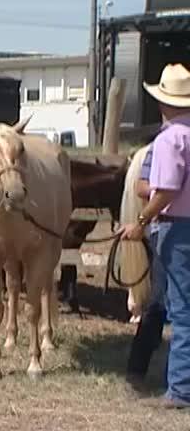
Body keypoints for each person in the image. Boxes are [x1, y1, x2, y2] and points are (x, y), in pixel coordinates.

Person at [122, 63, 190, 409]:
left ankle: (180, 390)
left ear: (163, 102)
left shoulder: (169, 140)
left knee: (180, 309)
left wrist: (140, 221)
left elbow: (165, 191)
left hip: (176, 228)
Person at [125, 143, 168, 392]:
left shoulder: (165, 142)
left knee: (159, 302)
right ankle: (138, 369)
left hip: (167, 228)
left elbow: (143, 188)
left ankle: (137, 369)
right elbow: (142, 187)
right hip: (170, 228)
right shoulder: (167, 143)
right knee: (159, 302)